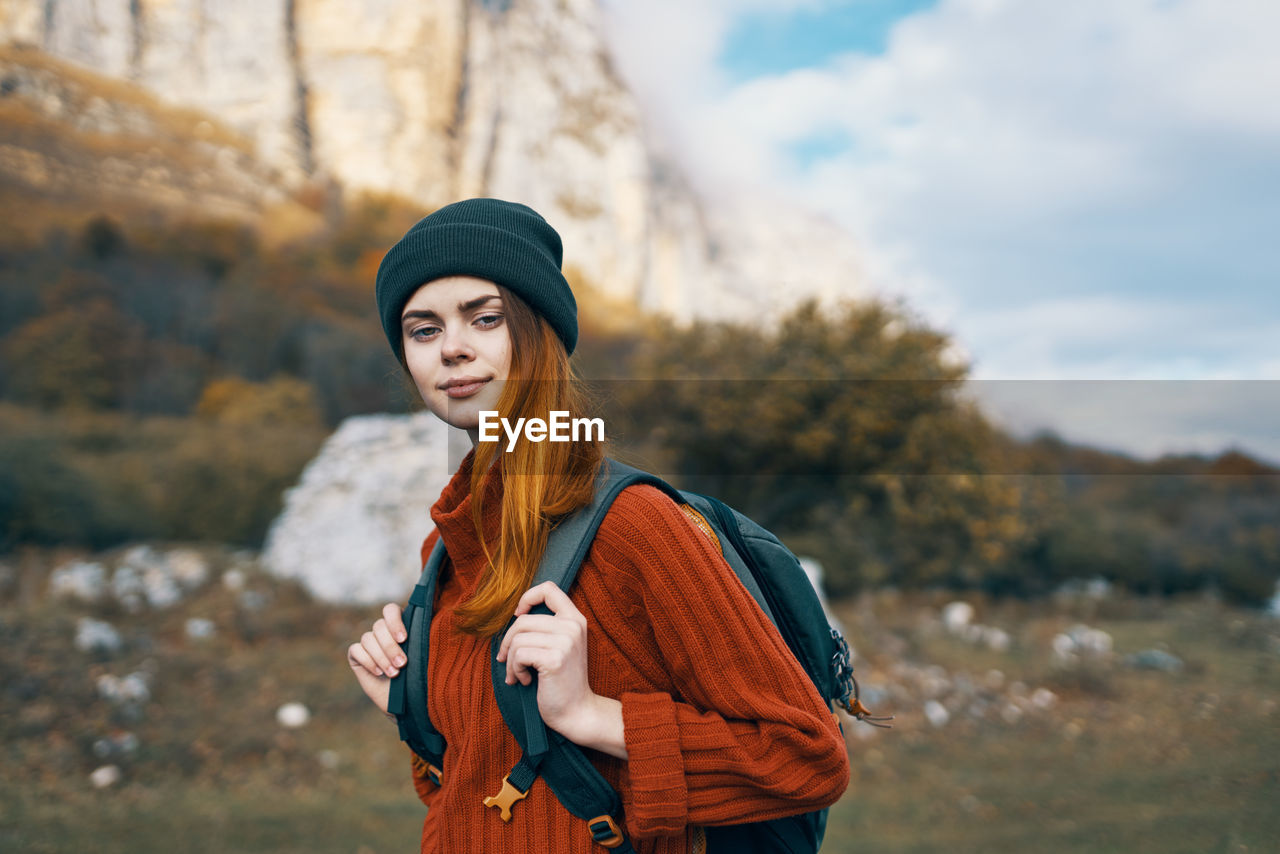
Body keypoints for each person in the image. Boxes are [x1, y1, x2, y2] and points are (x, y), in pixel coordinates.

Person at [347, 198, 850, 853]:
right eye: (423, 329)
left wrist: (590, 714)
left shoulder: (634, 526)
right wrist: (413, 706)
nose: (453, 349)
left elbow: (806, 759)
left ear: (540, 331)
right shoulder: (448, 546)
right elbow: (484, 795)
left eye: (486, 318)